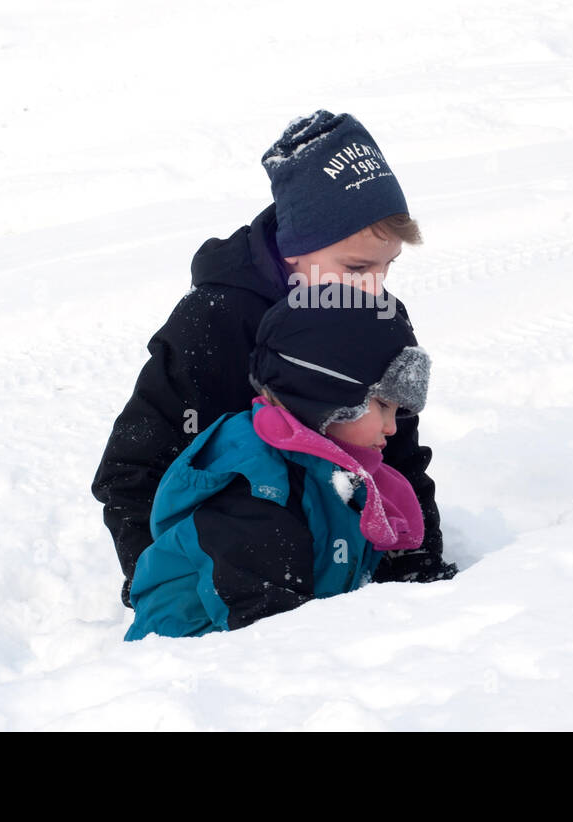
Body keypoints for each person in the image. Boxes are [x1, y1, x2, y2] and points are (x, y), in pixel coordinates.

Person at [92, 110, 456, 607]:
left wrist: (417, 562)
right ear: (292, 249)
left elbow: (396, 451)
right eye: (356, 267)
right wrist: (160, 580)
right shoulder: (218, 319)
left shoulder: (374, 315)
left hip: (339, 567)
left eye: (387, 266)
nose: (374, 287)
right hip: (224, 579)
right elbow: (133, 467)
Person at [126, 288, 433, 639]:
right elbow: (269, 635)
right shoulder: (260, 491)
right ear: (326, 392)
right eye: (382, 406)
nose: (392, 427)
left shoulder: (332, 472)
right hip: (191, 658)